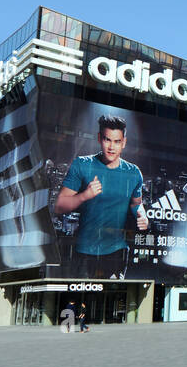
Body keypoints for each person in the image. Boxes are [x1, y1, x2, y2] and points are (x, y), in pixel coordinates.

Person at [53, 115, 148, 280]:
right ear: (99, 138)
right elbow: (59, 205)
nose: (111, 147)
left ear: (124, 142)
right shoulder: (82, 164)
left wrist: (142, 214)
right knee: (81, 302)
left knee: (114, 301)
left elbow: (136, 204)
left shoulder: (133, 172)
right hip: (84, 251)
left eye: (117, 141)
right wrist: (84, 195)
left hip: (117, 250)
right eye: (107, 140)